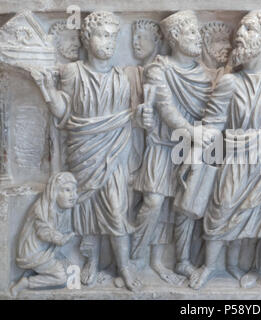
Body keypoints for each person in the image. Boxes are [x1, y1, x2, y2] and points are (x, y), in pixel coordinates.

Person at [190, 10, 261, 291]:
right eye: (239, 30)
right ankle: (209, 266)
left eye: (248, 30)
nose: (239, 35)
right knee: (221, 210)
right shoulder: (230, 82)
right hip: (238, 158)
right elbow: (213, 123)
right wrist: (196, 139)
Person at [31, 11, 141, 292]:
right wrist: (46, 90)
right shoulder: (72, 72)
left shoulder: (123, 76)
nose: (110, 42)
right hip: (82, 151)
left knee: (116, 209)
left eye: (114, 36)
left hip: (114, 152)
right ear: (87, 36)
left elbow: (133, 118)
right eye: (104, 35)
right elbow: (64, 111)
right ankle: (90, 261)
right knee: (86, 210)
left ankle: (125, 266)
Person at [131, 10, 214, 283]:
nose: (197, 38)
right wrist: (192, 132)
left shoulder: (203, 75)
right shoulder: (159, 68)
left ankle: (182, 260)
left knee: (185, 206)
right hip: (163, 146)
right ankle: (135, 258)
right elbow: (166, 108)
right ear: (175, 37)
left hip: (191, 150)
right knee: (153, 202)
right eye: (191, 32)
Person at [10, 172, 77, 297]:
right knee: (61, 277)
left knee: (71, 269)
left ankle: (33, 271)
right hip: (33, 253)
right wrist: (60, 239)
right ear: (54, 191)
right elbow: (44, 231)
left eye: (74, 191)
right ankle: (26, 283)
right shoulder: (41, 208)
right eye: (67, 190)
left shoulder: (61, 208)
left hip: (46, 250)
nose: (73, 195)